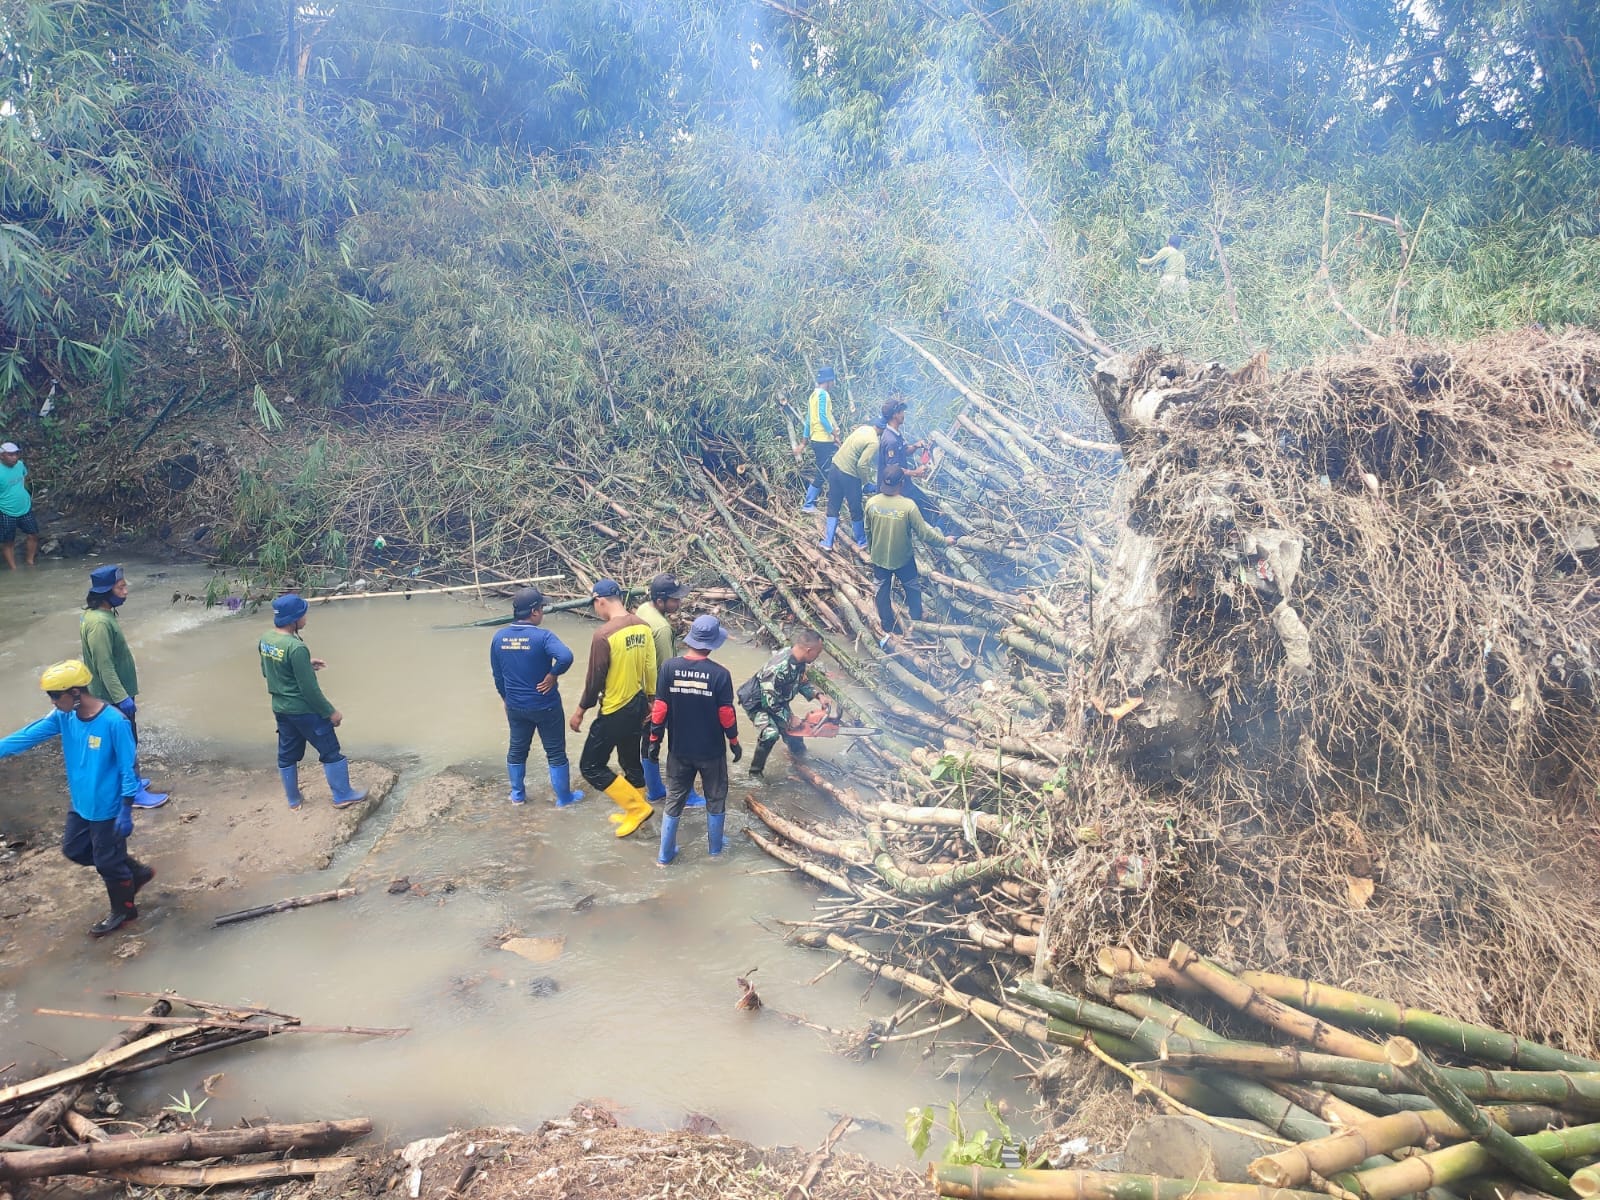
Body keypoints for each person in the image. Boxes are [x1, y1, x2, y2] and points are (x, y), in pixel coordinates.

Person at [0, 661, 154, 936]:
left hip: (108, 807)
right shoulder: (64, 717)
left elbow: (127, 767)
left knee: (107, 863)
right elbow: (27, 736)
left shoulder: (114, 722)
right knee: (74, 850)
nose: (52, 701)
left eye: (54, 695)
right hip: (82, 803)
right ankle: (134, 873)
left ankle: (124, 910)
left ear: (75, 692)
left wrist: (126, 809)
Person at [645, 614, 741, 866]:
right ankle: (715, 851)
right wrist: (734, 741)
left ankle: (664, 856)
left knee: (674, 798)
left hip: (679, 750)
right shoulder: (720, 675)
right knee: (715, 797)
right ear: (712, 644)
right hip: (711, 751)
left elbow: (660, 708)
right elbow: (726, 714)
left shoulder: (668, 667)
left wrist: (654, 740)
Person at [259, 594, 367, 809]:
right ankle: (343, 795)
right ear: (294, 620)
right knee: (330, 750)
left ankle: (293, 799)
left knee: (287, 753)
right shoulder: (296, 648)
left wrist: (304, 664)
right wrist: (330, 712)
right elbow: (309, 690)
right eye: (303, 614)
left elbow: (267, 671)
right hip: (305, 710)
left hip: (281, 708)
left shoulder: (266, 639)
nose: (306, 618)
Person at [568, 578, 657, 838]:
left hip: (615, 709)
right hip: (639, 703)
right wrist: (652, 700)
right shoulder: (643, 626)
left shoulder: (603, 635)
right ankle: (639, 817)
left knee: (591, 766)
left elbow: (594, 678)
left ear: (601, 601)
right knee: (630, 761)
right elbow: (651, 666)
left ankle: (637, 808)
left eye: (595, 605)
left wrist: (580, 710)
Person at [80, 564, 169, 809]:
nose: (126, 591)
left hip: (113, 693)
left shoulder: (101, 615)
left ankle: (133, 782)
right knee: (125, 743)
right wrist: (121, 698)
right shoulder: (99, 624)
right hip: (111, 696)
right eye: (120, 587)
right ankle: (132, 793)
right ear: (106, 592)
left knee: (127, 740)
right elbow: (104, 665)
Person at [489, 586, 583, 807]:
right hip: (545, 705)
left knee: (517, 749)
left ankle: (517, 796)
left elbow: (497, 675)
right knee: (555, 752)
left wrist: (505, 698)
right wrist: (552, 675)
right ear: (534, 611)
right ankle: (564, 798)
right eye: (541, 608)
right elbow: (566, 657)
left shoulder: (499, 637)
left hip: (515, 706)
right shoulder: (543, 637)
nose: (542, 612)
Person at [634, 573, 704, 811]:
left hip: (641, 690)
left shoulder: (643, 609)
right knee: (682, 742)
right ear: (661, 600)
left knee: (648, 740)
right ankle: (687, 794)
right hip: (661, 694)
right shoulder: (662, 629)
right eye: (675, 599)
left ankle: (653, 790)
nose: (679, 603)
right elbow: (666, 668)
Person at [865, 464, 957, 640]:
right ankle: (916, 620)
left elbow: (867, 530)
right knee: (912, 589)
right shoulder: (908, 506)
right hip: (903, 559)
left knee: (881, 591)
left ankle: (887, 626)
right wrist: (945, 541)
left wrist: (874, 551)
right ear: (901, 483)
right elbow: (925, 534)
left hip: (879, 558)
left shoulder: (872, 503)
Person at [737, 630, 835, 780]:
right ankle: (755, 773)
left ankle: (800, 759)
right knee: (771, 733)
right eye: (818, 653)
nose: (817, 656)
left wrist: (818, 695)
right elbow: (768, 701)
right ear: (809, 650)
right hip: (756, 702)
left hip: (777, 699)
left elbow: (801, 682)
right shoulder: (779, 667)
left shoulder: (799, 660)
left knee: (797, 730)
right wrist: (789, 717)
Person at [875, 395, 940, 529]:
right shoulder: (890, 440)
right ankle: (939, 538)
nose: (903, 415)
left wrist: (916, 446)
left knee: (928, 509)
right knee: (929, 510)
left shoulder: (896, 434)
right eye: (901, 412)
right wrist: (915, 472)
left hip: (904, 484)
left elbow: (904, 451)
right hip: (896, 488)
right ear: (895, 415)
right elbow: (893, 470)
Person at [821, 416, 881, 551]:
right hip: (849, 475)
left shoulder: (863, 429)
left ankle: (827, 542)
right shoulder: (874, 441)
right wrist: (866, 483)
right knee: (855, 508)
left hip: (835, 466)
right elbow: (861, 465)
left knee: (833, 505)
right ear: (882, 429)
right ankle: (861, 541)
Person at [802, 366, 841, 513]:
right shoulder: (824, 395)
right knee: (823, 472)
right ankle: (808, 504)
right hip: (823, 440)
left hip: (816, 439)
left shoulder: (813, 395)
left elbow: (808, 420)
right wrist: (834, 435)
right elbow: (823, 418)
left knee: (827, 470)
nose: (833, 384)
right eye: (833, 381)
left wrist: (804, 441)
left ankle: (820, 501)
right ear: (829, 381)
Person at [0, 441, 40, 569]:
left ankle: (30, 561)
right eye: (10, 455)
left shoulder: (20, 465)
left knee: (33, 534)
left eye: (16, 454)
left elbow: (23, 479)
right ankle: (13, 568)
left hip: (24, 507)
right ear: (2, 456)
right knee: (8, 541)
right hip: (6, 510)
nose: (14, 458)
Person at [1139, 234, 1189, 299]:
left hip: (1169, 279)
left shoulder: (1167, 250)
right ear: (1179, 245)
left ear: (1168, 242)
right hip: (1182, 282)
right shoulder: (1182, 256)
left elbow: (1151, 262)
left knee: (1157, 300)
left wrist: (1139, 261)